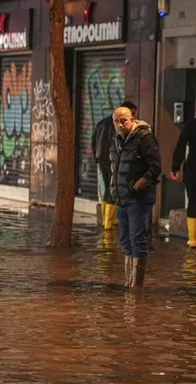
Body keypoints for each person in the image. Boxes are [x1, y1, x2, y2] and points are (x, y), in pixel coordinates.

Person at [109, 106, 161, 289]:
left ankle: (136, 288)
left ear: (132, 119)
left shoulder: (144, 138)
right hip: (122, 197)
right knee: (126, 240)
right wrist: (114, 189)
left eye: (123, 120)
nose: (120, 124)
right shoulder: (116, 140)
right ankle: (129, 283)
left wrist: (137, 185)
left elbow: (155, 168)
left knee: (138, 239)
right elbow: (114, 168)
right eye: (116, 121)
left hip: (139, 198)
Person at [92, 101, 138, 230]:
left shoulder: (102, 123)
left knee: (108, 186)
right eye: (132, 113)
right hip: (113, 159)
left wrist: (96, 156)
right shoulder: (120, 124)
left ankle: (105, 220)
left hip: (101, 158)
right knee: (113, 188)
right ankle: (108, 222)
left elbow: (93, 141)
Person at [170, 117, 196, 247]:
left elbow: (180, 145)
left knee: (193, 201)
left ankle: (193, 239)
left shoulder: (192, 124)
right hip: (192, 169)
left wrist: (175, 167)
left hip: (193, 169)